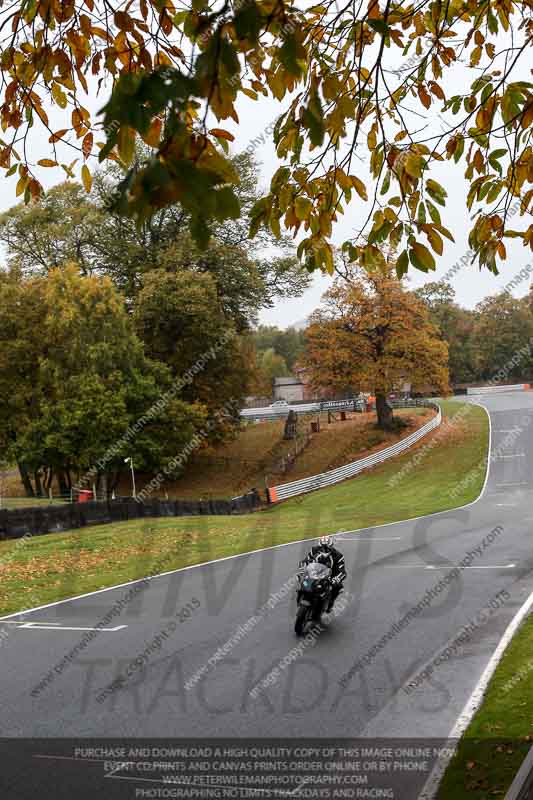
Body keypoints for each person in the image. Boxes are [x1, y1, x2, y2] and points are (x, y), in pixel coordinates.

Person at [299, 535, 347, 612]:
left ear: (331, 546)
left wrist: (336, 579)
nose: (324, 550)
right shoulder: (313, 550)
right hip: (314, 572)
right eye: (322, 548)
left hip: (330, 576)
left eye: (327, 548)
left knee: (338, 588)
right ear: (319, 546)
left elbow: (342, 571)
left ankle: (330, 604)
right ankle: (301, 595)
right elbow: (305, 561)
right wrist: (302, 569)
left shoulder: (338, 556)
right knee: (301, 578)